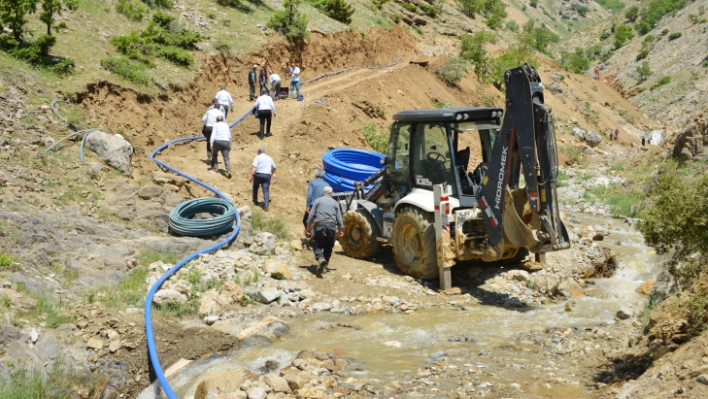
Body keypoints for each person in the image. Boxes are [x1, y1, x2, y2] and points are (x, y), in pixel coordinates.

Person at [306, 186, 344, 276]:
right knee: (328, 247)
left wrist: (308, 226)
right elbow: (339, 217)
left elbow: (311, 215)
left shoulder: (318, 201)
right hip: (331, 227)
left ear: (323, 193)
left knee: (317, 245)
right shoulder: (335, 203)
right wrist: (341, 229)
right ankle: (324, 265)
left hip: (320, 225)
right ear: (331, 194)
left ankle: (320, 259)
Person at [250, 147, 276, 211]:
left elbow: (254, 167)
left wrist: (251, 175)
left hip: (258, 175)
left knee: (255, 187)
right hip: (267, 175)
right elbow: (274, 167)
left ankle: (255, 200)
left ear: (258, 152)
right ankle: (266, 205)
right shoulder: (269, 158)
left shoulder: (257, 157)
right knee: (266, 190)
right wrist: (271, 174)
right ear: (264, 152)